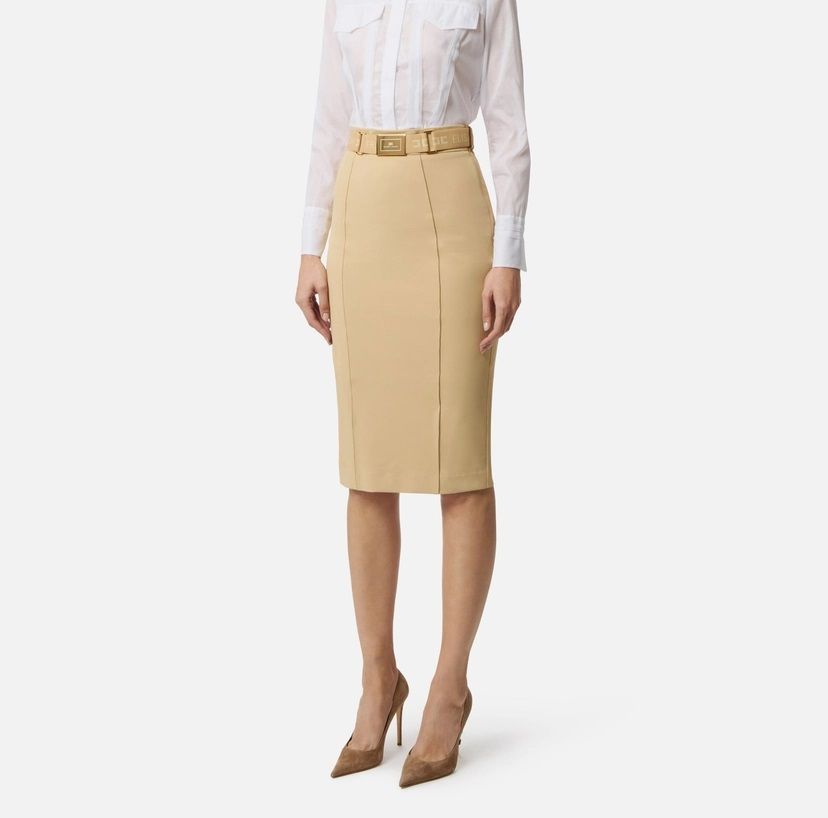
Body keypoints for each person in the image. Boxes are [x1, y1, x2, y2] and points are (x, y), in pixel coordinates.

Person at [295, 0, 530, 787]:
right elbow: (329, 116)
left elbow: (508, 119)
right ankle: (377, 681)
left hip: (450, 210)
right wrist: (310, 246)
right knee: (368, 466)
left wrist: (508, 254)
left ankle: (449, 688)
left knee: (458, 460)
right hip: (363, 211)